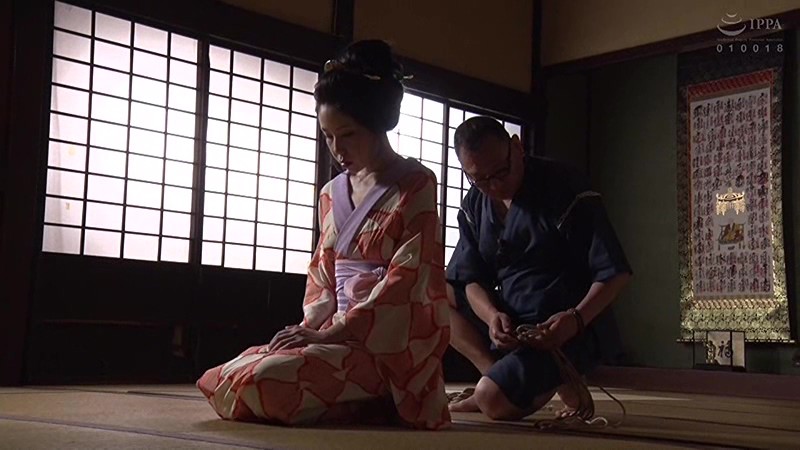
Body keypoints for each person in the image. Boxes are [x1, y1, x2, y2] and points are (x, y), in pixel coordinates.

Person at [197, 40, 451, 430]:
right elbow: (322, 276)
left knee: (267, 381)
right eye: (328, 136)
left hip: (385, 346)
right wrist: (313, 330)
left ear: (377, 121)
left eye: (347, 135)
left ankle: (383, 397)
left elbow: (408, 280)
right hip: (332, 333)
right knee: (223, 378)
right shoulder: (331, 193)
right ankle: (361, 404)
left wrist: (338, 333)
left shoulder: (416, 183)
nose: (336, 149)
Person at [445, 116, 632, 420]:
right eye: (479, 179)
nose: (494, 185)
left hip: (562, 326)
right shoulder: (474, 204)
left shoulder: (564, 185)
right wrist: (491, 317)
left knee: (493, 401)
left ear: (517, 147)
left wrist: (574, 319)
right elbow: (470, 279)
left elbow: (614, 272)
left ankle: (512, 384)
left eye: (501, 172)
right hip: (512, 322)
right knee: (431, 294)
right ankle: (494, 376)